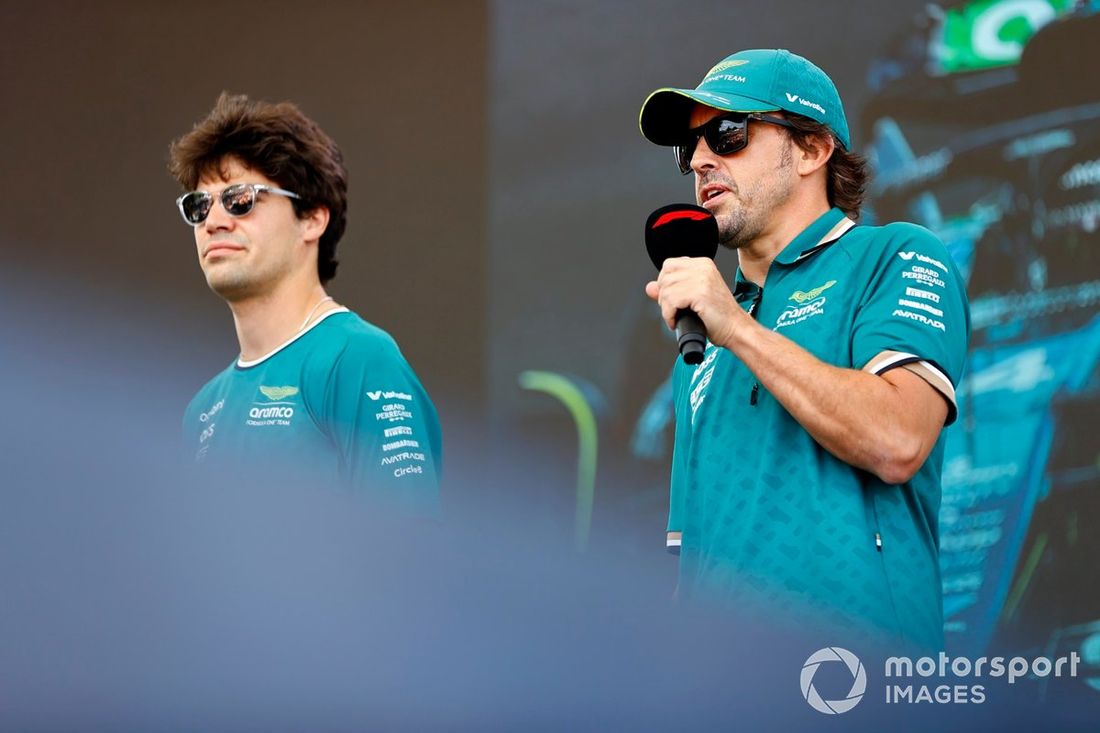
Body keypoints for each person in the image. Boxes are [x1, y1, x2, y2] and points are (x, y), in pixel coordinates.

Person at [638, 49, 969, 651]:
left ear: (813, 150)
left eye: (728, 133)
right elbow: (688, 565)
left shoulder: (893, 257)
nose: (702, 160)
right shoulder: (702, 342)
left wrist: (737, 328)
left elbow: (897, 441)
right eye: (689, 149)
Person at [170, 93, 441, 508]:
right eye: (199, 205)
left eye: (240, 198)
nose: (215, 221)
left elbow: (410, 552)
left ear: (312, 218)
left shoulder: (360, 359)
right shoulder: (202, 410)